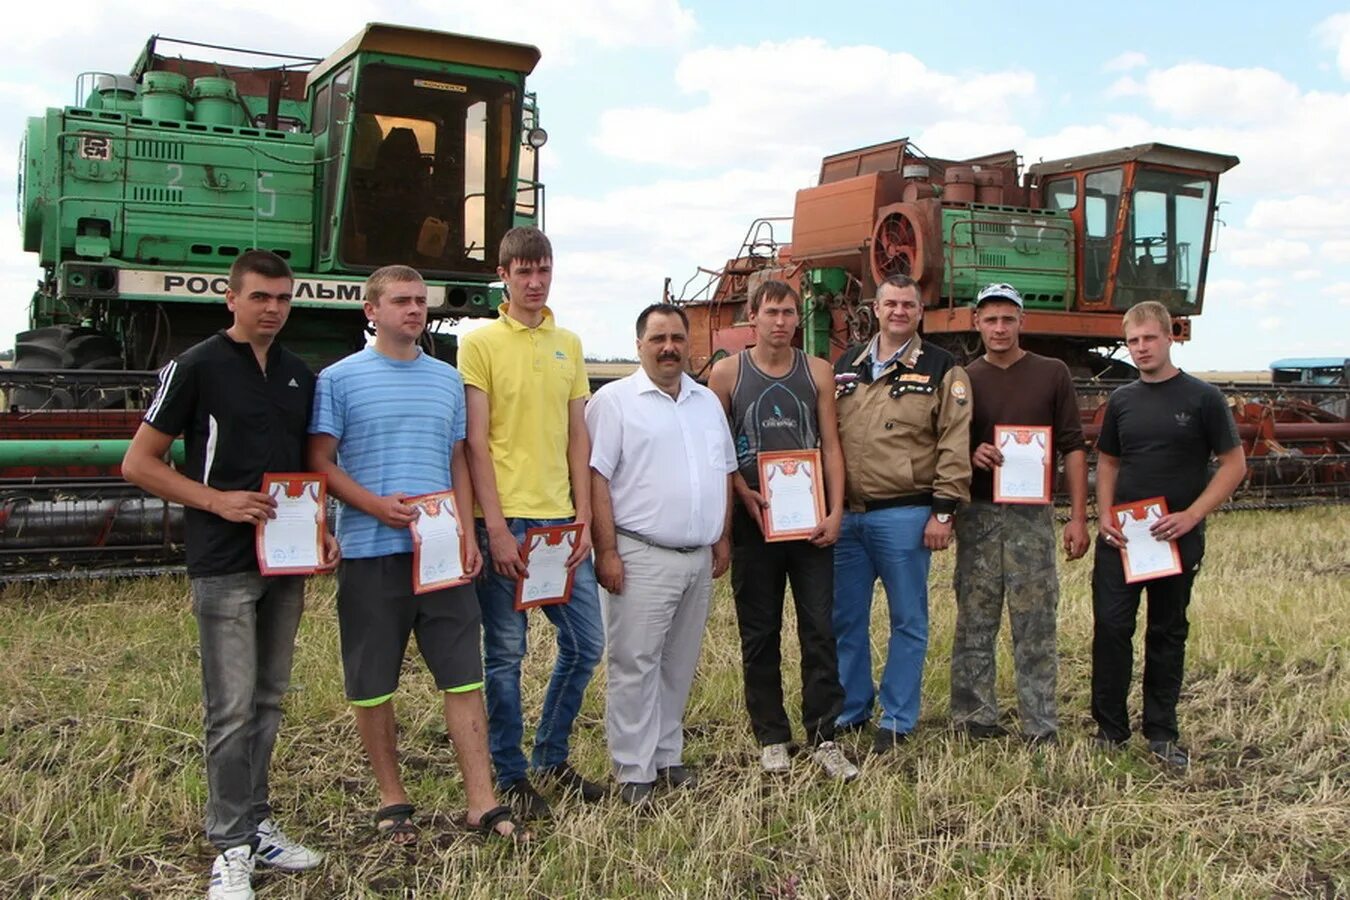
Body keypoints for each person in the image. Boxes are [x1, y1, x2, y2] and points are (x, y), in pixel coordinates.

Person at [122, 250, 332, 900]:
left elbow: (305, 468)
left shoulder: (299, 374)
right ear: (232, 300)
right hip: (222, 561)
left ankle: (258, 822)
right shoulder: (196, 367)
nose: (272, 308)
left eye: (282, 298)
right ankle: (229, 845)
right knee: (231, 708)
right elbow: (139, 462)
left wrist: (321, 527)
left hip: (285, 562)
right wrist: (217, 500)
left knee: (268, 700)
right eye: (260, 297)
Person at [307, 265, 527, 844]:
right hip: (370, 551)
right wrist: (375, 507)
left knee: (462, 676)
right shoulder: (337, 380)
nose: (414, 310)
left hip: (440, 554)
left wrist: (461, 532)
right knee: (373, 681)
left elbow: (457, 459)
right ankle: (392, 797)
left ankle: (482, 801)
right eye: (401, 301)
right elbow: (322, 462)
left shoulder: (445, 380)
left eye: (419, 301)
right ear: (371, 311)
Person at [459, 227, 607, 816]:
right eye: (523, 270)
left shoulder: (568, 343)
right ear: (504, 275)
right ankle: (511, 772)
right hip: (509, 523)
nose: (534, 280)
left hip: (561, 526)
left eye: (542, 269)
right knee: (506, 655)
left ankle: (551, 754)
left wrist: (586, 519)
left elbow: (579, 436)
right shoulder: (480, 343)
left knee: (586, 644)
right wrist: (493, 528)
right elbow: (475, 440)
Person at [585, 303, 736, 807]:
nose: (669, 347)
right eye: (657, 339)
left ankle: (667, 756)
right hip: (640, 553)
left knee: (678, 663)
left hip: (697, 557)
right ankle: (632, 769)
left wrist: (722, 535)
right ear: (639, 346)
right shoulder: (614, 402)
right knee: (635, 663)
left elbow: (723, 472)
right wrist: (605, 551)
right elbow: (596, 480)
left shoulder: (706, 402)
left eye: (676, 337)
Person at [707, 280, 857, 781]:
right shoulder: (727, 374)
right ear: (752, 316)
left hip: (810, 524)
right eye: (771, 311)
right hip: (756, 524)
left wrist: (836, 511)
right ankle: (772, 735)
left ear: (798, 317)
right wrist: (740, 493)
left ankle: (824, 735)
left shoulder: (818, 372)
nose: (781, 321)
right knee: (760, 632)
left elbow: (831, 446)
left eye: (789, 312)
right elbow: (719, 451)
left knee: (819, 630)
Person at [1092, 301, 1245, 768]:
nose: (1140, 348)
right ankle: (1110, 730)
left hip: (1176, 537)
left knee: (1167, 631)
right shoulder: (1121, 401)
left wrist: (1192, 515)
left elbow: (1234, 465)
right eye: (1133, 340)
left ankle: (1161, 732)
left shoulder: (1203, 399)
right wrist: (1104, 516)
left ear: (1169, 338)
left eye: (1149, 338)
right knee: (1113, 629)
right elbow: (1109, 463)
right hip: (1124, 539)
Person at [832, 273, 972, 752]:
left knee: (907, 621)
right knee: (845, 620)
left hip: (906, 516)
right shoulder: (846, 363)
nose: (898, 312)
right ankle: (851, 709)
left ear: (919, 312)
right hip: (847, 517)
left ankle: (896, 718)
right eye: (889, 303)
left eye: (907, 305)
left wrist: (944, 512)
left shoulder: (942, 368)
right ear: (875, 308)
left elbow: (955, 442)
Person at [950, 283, 1090, 746]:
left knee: (1035, 620)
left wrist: (1076, 515)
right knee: (975, 617)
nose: (999, 328)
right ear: (977, 323)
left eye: (1008, 319)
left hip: (1033, 515)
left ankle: (1040, 722)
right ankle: (975, 717)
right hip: (981, 514)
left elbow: (1072, 444)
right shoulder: (964, 379)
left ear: (1022, 322)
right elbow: (948, 442)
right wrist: (972, 453)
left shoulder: (1052, 373)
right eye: (990, 319)